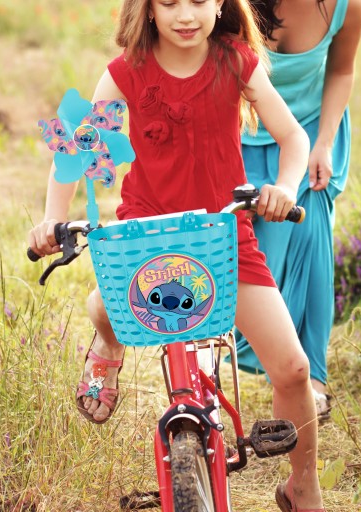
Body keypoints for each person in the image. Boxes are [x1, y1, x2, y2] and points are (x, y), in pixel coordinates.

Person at [28, 0, 325, 509]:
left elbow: (293, 137)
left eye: (198, 1)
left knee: (295, 370)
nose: (186, 15)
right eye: (169, 3)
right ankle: (109, 345)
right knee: (107, 308)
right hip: (147, 234)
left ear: (220, 3)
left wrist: (285, 186)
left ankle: (303, 486)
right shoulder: (127, 72)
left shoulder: (235, 61)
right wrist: (51, 219)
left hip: (221, 237)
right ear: (147, 9)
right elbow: (77, 150)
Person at [234, 0, 361, 421]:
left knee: (312, 241)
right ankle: (212, 367)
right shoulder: (229, 8)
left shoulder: (346, 7)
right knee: (240, 257)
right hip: (238, 135)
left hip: (309, 135)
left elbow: (341, 71)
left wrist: (324, 142)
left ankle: (313, 378)